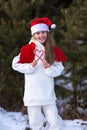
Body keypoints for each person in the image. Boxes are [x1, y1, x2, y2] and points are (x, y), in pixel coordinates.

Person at [12, 17, 67, 130]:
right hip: (33, 94)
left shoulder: (52, 50)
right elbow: (15, 64)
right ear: (33, 35)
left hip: (48, 94)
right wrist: (30, 66)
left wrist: (49, 69)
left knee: (54, 121)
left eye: (43, 32)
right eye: (37, 33)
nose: (41, 35)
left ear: (47, 32)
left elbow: (59, 68)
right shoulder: (28, 49)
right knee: (35, 123)